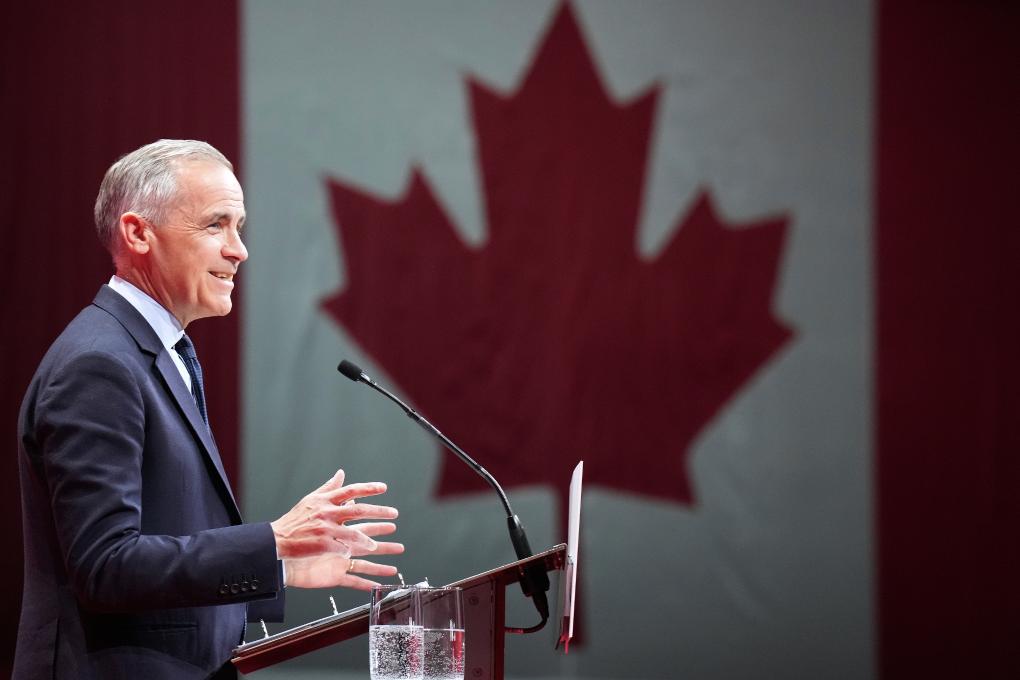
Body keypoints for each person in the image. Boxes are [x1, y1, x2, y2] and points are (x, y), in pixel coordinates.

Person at [14, 139, 404, 679]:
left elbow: (163, 541)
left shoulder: (155, 353)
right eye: (215, 225)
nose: (239, 249)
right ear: (138, 233)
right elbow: (104, 566)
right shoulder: (98, 364)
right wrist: (271, 541)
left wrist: (280, 565)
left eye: (239, 227)